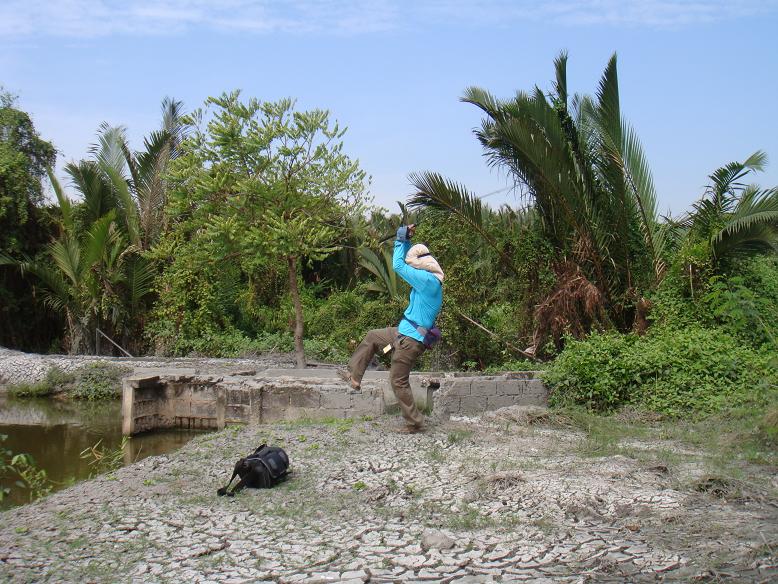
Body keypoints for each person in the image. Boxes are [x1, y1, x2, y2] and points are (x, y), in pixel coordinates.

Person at [340, 224, 444, 433]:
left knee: (398, 380)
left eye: (415, 265)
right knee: (372, 337)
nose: (412, 269)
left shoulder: (428, 282)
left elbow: (398, 266)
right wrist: (407, 240)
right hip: (402, 332)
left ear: (422, 265)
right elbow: (407, 263)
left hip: (411, 340)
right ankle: (354, 376)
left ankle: (415, 423)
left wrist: (400, 238)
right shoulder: (426, 280)